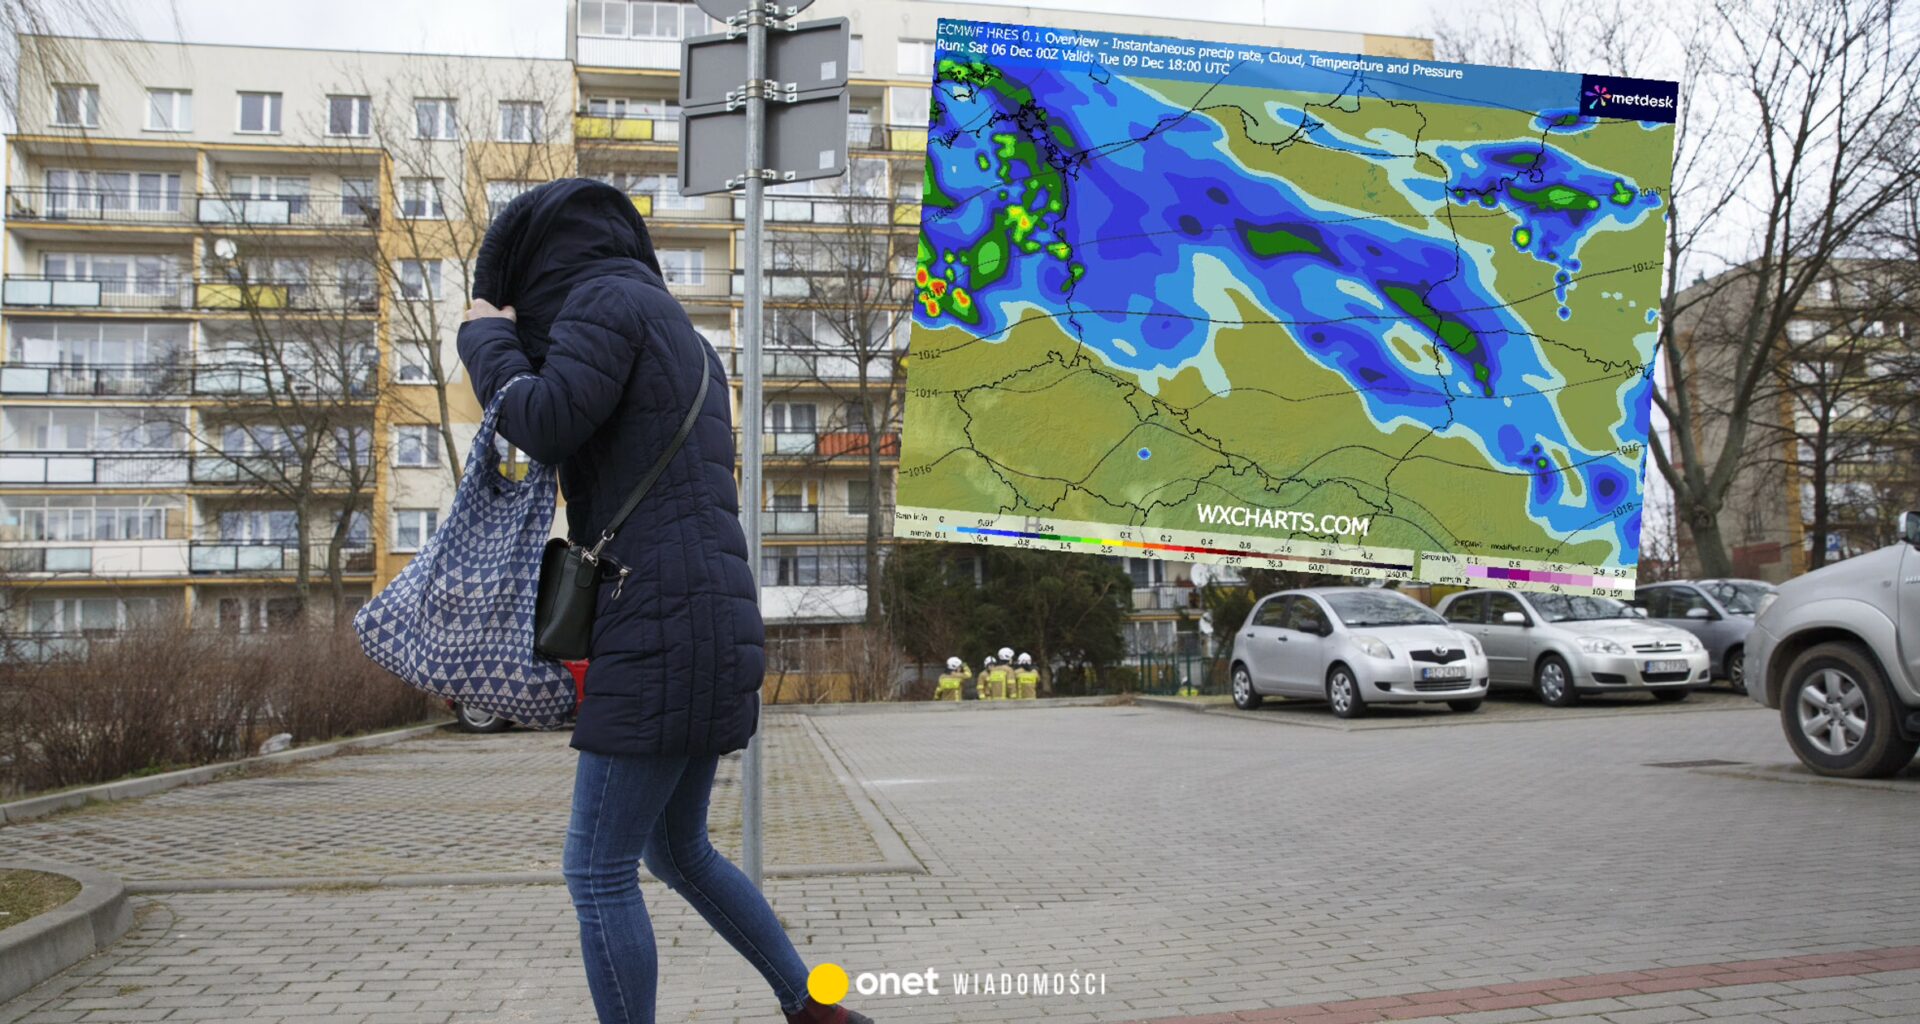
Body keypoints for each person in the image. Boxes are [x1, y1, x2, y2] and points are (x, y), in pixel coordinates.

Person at [458, 178, 872, 1024]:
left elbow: (543, 419)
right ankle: (814, 1003)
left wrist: (485, 342)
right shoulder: (676, 330)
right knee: (678, 849)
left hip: (655, 622)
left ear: (539, 268)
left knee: (596, 870)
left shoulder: (602, 305)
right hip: (708, 617)